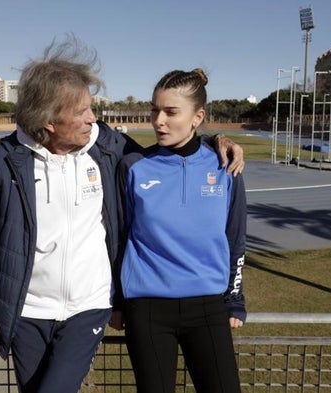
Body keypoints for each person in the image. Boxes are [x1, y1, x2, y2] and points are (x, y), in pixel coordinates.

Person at [0, 35, 244, 393]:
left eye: (90, 108)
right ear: (49, 120)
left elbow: (177, 153)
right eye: (81, 111)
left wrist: (212, 141)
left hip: (90, 305)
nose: (92, 118)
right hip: (29, 310)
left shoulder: (109, 148)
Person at [113, 68, 247, 393]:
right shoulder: (133, 166)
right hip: (147, 308)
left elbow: (235, 235)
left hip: (208, 306)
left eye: (171, 112)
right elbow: (118, 237)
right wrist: (116, 301)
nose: (158, 120)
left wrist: (234, 297)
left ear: (197, 117)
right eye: (155, 110)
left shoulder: (226, 165)